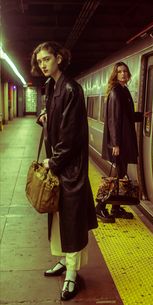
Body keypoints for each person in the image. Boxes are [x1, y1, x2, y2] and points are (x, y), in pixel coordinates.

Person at [31, 41, 98, 301]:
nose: (43, 65)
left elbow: (72, 136)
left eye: (47, 59)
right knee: (59, 218)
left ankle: (72, 273)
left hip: (69, 168)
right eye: (40, 62)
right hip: (59, 164)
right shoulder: (51, 86)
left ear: (59, 58)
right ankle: (63, 260)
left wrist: (53, 162)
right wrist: (43, 118)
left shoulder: (71, 88)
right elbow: (54, 118)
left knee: (71, 221)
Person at [96, 62, 145, 223]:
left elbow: (127, 115)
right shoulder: (117, 92)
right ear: (115, 75)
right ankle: (100, 206)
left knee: (121, 173)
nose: (123, 74)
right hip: (119, 142)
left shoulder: (123, 90)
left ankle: (115, 208)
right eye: (120, 72)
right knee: (117, 174)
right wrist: (116, 144)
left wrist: (142, 116)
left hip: (123, 140)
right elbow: (114, 120)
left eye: (125, 71)